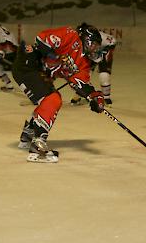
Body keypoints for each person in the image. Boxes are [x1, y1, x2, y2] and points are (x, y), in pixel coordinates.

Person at [12, 25, 105, 163]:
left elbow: (80, 83)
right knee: (53, 99)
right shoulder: (70, 35)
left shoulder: (84, 63)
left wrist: (94, 97)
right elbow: (42, 40)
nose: (95, 49)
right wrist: (55, 56)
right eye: (94, 44)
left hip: (39, 73)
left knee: (49, 100)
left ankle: (29, 133)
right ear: (87, 39)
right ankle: (38, 145)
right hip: (28, 63)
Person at [70, 22, 117, 106]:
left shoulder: (100, 38)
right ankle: (80, 93)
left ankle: (106, 97)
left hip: (104, 49)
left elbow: (112, 41)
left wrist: (102, 54)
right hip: (92, 50)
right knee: (84, 73)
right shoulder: (83, 40)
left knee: (104, 74)